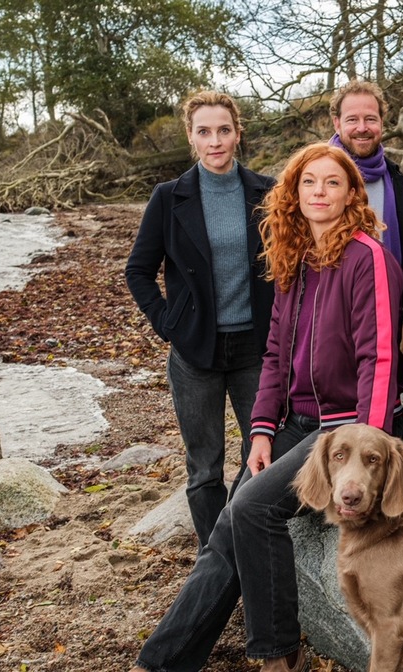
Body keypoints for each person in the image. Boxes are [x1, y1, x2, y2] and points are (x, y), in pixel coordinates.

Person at [129, 143, 403, 672]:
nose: (319, 192)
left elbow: (381, 355)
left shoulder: (367, 257)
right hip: (296, 423)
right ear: (293, 194)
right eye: (308, 183)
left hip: (342, 428)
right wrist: (259, 430)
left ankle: (276, 654)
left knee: (253, 510)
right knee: (226, 532)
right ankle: (161, 663)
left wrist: (365, 445)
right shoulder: (294, 259)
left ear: (351, 194)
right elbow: (274, 353)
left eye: (332, 183)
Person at [125, 91, 275, 549]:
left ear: (237, 132)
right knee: (205, 466)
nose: (216, 141)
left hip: (256, 347)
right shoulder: (169, 198)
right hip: (195, 352)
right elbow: (138, 270)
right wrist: (170, 323)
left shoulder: (267, 192)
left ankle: (242, 544)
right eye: (205, 132)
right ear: (191, 137)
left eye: (224, 130)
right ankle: (216, 563)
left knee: (262, 457)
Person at [327, 79, 403, 283]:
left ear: (381, 122)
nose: (362, 128)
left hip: (388, 300)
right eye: (352, 120)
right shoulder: (315, 177)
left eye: (370, 119)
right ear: (337, 123)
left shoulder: (395, 179)